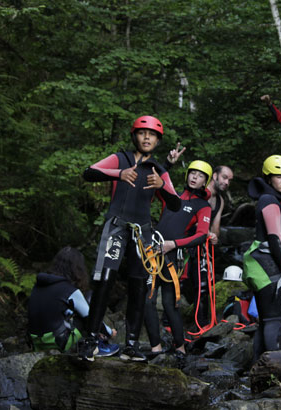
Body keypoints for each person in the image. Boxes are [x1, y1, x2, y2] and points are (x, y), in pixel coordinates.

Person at [79, 115, 181, 361]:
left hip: (142, 231)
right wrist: (119, 174)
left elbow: (176, 204)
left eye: (152, 135)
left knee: (139, 285)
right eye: (142, 133)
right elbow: (89, 172)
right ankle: (90, 341)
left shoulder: (159, 171)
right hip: (116, 225)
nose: (147, 138)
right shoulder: (121, 159)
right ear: (134, 135)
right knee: (105, 279)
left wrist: (162, 186)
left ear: (157, 141)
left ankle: (132, 345)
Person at [144, 160, 213, 359]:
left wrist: (173, 244)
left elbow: (201, 235)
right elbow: (155, 182)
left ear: (205, 182)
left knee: (169, 302)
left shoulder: (203, 206)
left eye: (200, 176)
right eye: (192, 173)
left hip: (172, 255)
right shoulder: (172, 195)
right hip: (153, 251)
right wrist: (168, 163)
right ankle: (155, 347)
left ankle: (180, 346)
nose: (194, 177)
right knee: (147, 299)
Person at [243, 155, 281, 361]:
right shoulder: (270, 201)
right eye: (278, 176)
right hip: (269, 269)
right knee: (274, 320)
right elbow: (275, 239)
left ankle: (258, 368)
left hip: (261, 267)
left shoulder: (268, 199)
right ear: (269, 179)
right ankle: (275, 370)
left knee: (266, 320)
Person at [28, 246, 119, 356]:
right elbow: (91, 316)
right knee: (89, 300)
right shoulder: (68, 290)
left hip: (36, 342)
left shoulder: (39, 285)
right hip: (57, 342)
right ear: (77, 268)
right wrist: (109, 332)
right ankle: (96, 345)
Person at [207, 165, 234, 244]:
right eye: (224, 177)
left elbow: (215, 228)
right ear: (215, 176)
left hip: (202, 245)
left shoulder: (220, 201)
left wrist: (214, 238)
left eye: (229, 180)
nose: (227, 183)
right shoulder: (200, 193)